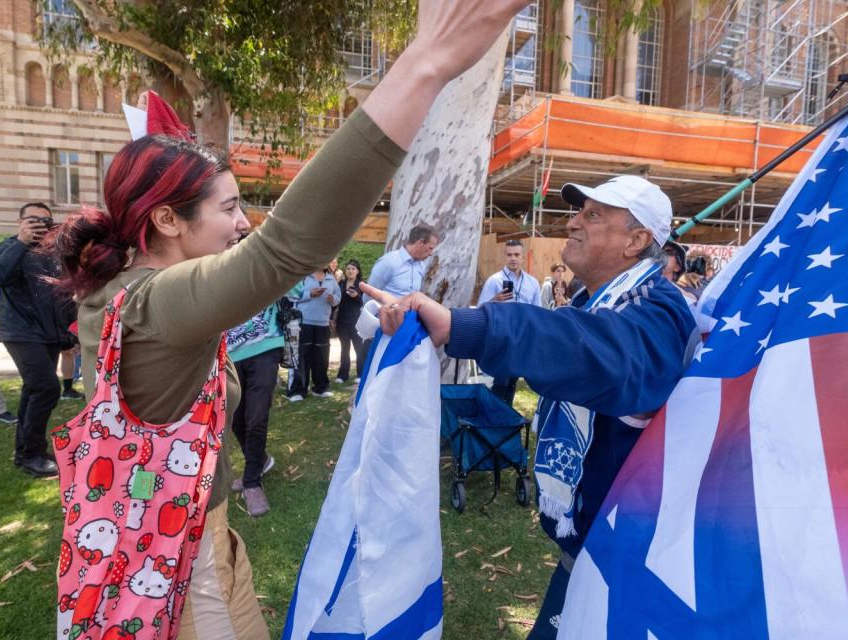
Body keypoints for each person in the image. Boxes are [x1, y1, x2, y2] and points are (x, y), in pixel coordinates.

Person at [45, 1, 531, 636]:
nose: (242, 222)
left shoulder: (130, 291)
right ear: (166, 219)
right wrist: (425, 64)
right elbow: (285, 248)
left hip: (171, 549)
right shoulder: (153, 301)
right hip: (175, 576)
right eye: (228, 207)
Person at [363, 175, 696, 639]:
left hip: (625, 564)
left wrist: (469, 328)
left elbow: (592, 354)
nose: (573, 222)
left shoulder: (658, 310)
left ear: (637, 240)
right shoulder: (593, 301)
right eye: (578, 211)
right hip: (587, 553)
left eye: (593, 214)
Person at [0, 202, 69, 477]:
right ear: (20, 222)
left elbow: (59, 295)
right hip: (21, 332)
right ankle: (33, 454)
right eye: (33, 220)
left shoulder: (51, 254)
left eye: (46, 221)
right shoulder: (8, 247)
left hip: (47, 334)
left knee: (32, 391)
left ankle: (26, 452)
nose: (40, 225)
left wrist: (66, 333)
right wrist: (21, 242)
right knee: (47, 388)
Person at [227, 299, 283, 517]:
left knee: (256, 417)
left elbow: (296, 287)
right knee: (236, 418)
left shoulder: (264, 263)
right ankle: (260, 461)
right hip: (229, 352)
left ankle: (252, 483)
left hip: (265, 344)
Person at [477, 239, 543, 405]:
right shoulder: (495, 281)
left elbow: (538, 311)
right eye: (509, 255)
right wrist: (495, 299)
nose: (513, 258)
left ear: (523, 257)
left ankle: (506, 418)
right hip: (502, 337)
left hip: (522, 338)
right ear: (504, 257)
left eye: (516, 255)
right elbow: (480, 309)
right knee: (501, 381)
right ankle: (494, 417)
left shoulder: (532, 283)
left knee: (512, 380)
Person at [287, 266, 340, 401]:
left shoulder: (331, 278)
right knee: (302, 357)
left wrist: (332, 298)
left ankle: (320, 388)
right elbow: (292, 296)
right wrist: (310, 294)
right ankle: (298, 390)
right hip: (304, 322)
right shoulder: (304, 275)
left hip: (323, 323)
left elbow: (338, 297)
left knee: (321, 357)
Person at [365, 224, 438, 299]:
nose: (431, 253)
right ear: (420, 243)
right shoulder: (388, 262)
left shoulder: (421, 266)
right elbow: (368, 295)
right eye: (430, 248)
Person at [335, 259, 367, 384]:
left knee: (358, 348)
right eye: (348, 268)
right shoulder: (341, 283)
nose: (350, 271)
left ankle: (360, 373)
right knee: (344, 348)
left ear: (357, 271)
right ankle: (343, 375)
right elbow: (337, 301)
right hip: (342, 320)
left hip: (356, 321)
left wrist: (357, 297)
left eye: (353, 268)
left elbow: (366, 302)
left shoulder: (362, 284)